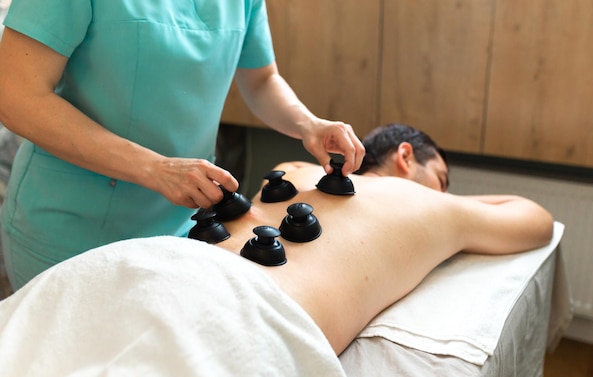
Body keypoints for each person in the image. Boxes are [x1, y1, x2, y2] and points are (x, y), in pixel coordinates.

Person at [0, 124, 554, 375]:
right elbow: (535, 220)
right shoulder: (428, 206)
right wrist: (438, 200)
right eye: (445, 177)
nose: (448, 193)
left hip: (126, 267)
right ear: (407, 157)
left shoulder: (288, 172)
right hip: (235, 312)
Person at [0, 0, 365, 290]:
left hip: (183, 226)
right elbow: (15, 97)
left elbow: (261, 80)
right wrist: (155, 168)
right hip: (72, 231)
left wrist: (308, 124)